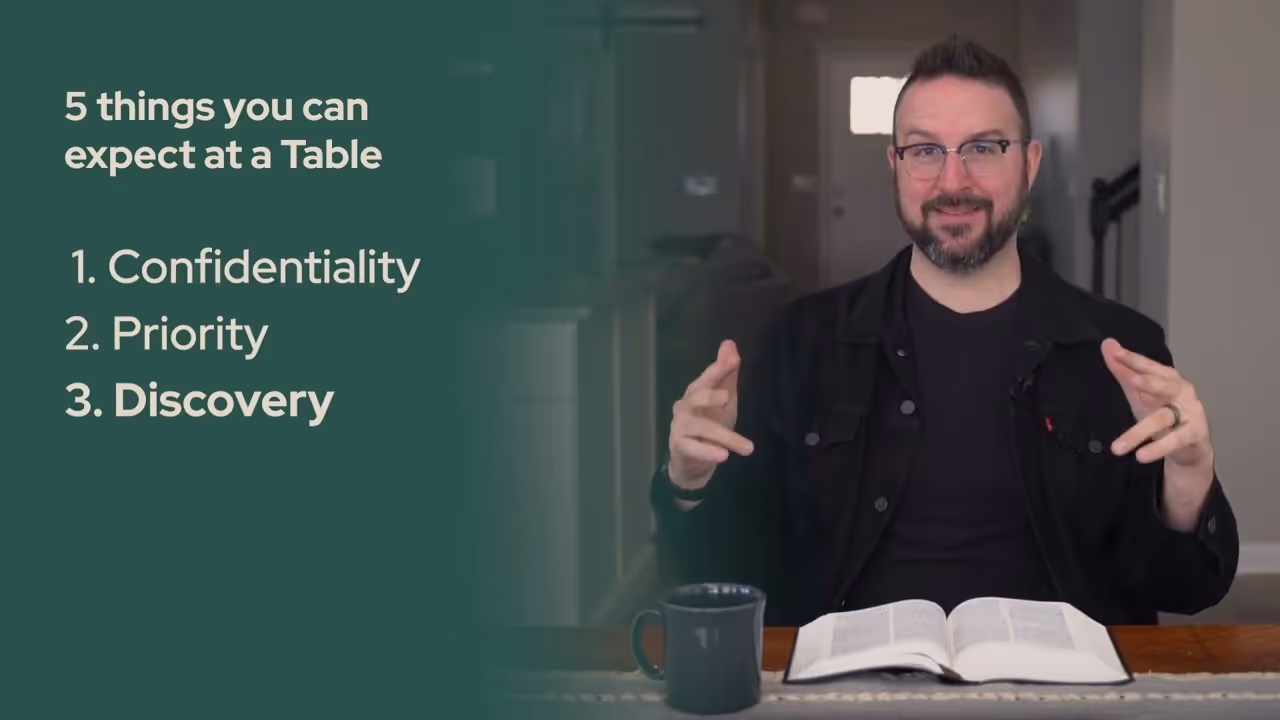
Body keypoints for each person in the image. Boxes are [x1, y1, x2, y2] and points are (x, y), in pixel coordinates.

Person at [650, 36, 1238, 626]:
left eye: (983, 147)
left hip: (1061, 689)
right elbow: (727, 572)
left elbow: (1183, 588)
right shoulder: (802, 341)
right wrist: (690, 483)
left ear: (1029, 163)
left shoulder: (1120, 348)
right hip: (847, 685)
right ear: (895, 166)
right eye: (926, 151)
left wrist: (1189, 480)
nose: (953, 181)